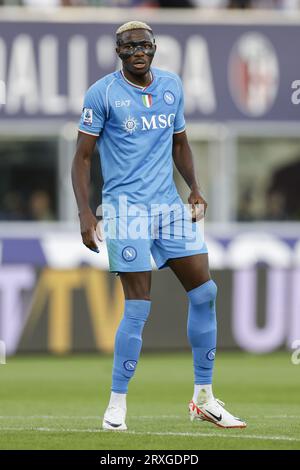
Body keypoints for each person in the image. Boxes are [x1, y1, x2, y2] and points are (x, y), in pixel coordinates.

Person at [71, 21, 246, 430]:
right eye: (129, 46)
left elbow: (180, 142)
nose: (138, 51)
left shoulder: (171, 86)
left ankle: (204, 398)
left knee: (205, 292)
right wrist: (85, 212)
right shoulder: (103, 93)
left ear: (154, 48)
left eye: (144, 45)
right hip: (125, 210)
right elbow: (81, 158)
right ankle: (117, 404)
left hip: (168, 207)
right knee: (137, 308)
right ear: (118, 50)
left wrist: (196, 188)